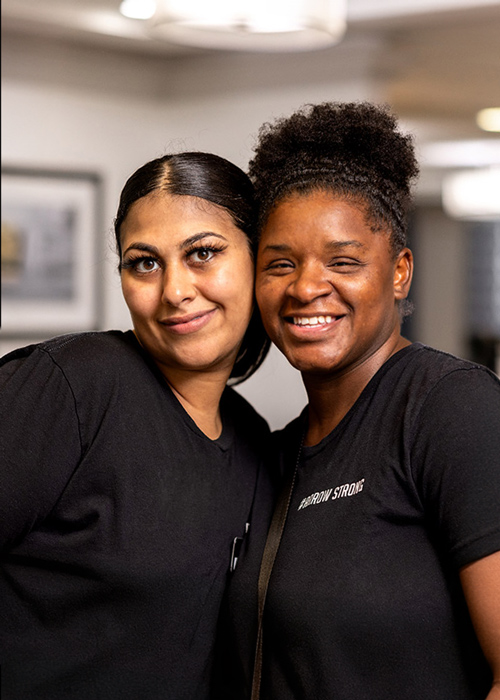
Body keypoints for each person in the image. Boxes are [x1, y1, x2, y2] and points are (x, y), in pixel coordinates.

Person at [222, 103, 500, 699]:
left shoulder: (451, 409)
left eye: (343, 261)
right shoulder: (274, 456)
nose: (305, 287)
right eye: (280, 264)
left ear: (399, 272)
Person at [0, 151, 272, 699]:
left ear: (258, 257)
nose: (174, 290)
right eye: (144, 262)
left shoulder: (255, 441)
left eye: (202, 253)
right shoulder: (73, 386)